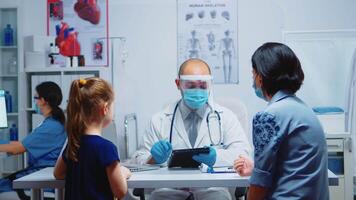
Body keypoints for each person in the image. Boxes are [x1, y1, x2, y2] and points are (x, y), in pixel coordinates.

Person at [133, 58, 251, 200]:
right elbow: (139, 160)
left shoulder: (226, 117)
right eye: (191, 85)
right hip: (168, 191)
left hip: (212, 190)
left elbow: (243, 155)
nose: (197, 91)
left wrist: (217, 158)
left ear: (210, 85)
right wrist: (153, 159)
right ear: (178, 84)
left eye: (202, 86)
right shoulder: (159, 120)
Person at [234, 42, 329, 200]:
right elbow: (294, 165)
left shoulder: (268, 116)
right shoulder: (305, 110)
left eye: (253, 73)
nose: (253, 79)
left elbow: (260, 183)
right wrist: (255, 168)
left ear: (261, 77)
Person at [54, 77, 131, 200]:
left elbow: (58, 174)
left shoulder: (73, 144)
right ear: (105, 108)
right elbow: (120, 191)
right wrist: (123, 173)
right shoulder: (107, 148)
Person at [0, 81, 67, 200]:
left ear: (43, 100)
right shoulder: (54, 122)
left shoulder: (51, 126)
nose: (34, 102)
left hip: (43, 176)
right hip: (43, 173)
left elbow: (17, 149)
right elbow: (23, 144)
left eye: (35, 98)